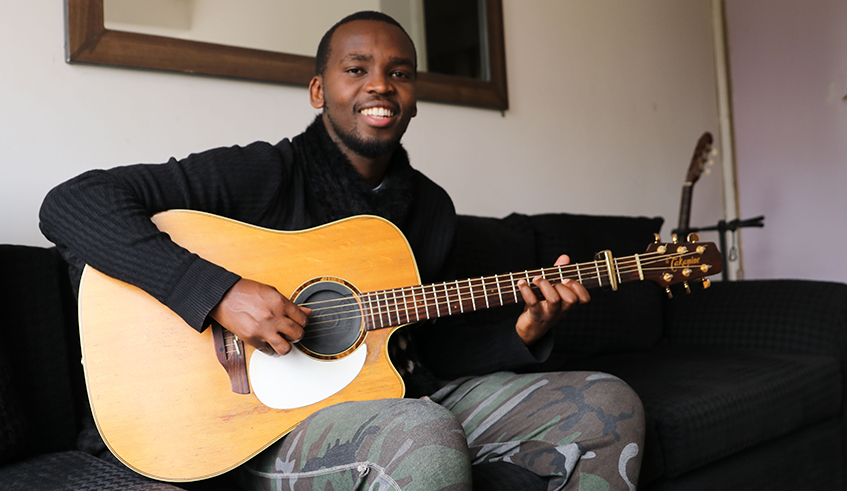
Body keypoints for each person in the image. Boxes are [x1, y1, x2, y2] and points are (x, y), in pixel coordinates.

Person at [40, 11, 644, 491]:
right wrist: (217, 293)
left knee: (607, 404)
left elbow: (425, 346)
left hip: (394, 394)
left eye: (400, 73)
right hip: (256, 425)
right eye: (357, 69)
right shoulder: (265, 173)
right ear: (317, 90)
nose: (380, 84)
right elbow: (71, 203)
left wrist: (523, 331)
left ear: (412, 96)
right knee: (422, 432)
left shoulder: (431, 207)